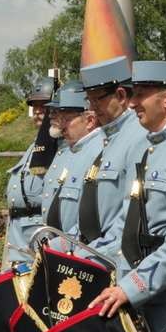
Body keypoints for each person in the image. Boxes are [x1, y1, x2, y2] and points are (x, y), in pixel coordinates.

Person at [88, 61, 166, 331]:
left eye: (141, 94)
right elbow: (127, 222)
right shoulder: (146, 147)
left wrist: (133, 287)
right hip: (134, 290)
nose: (132, 103)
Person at [67, 55, 148, 259]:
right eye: (89, 100)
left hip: (113, 257)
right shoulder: (109, 136)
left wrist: (92, 254)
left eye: (97, 99)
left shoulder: (138, 137)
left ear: (120, 96)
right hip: (95, 249)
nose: (92, 108)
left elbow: (129, 216)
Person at [3, 77, 59, 265]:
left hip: (37, 233)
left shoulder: (59, 147)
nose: (37, 111)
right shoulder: (34, 147)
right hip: (18, 233)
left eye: (43, 106)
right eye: (34, 106)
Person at [43, 80, 103, 234]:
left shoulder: (99, 151)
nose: (62, 126)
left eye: (67, 119)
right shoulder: (74, 150)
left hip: (79, 247)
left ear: (90, 121)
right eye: (60, 119)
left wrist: (64, 245)